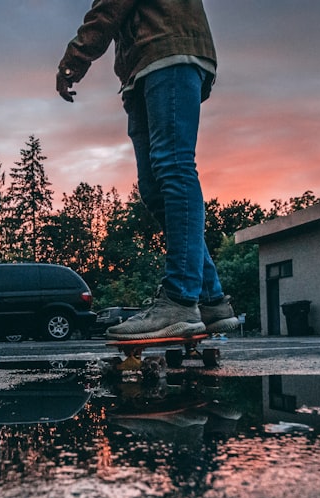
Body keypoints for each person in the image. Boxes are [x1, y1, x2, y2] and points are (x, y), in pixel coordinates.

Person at [57, 0, 239, 340]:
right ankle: (210, 300)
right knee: (155, 188)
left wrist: (76, 55)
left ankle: (180, 299)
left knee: (174, 167)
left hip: (166, 52)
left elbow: (110, 6)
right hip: (143, 65)